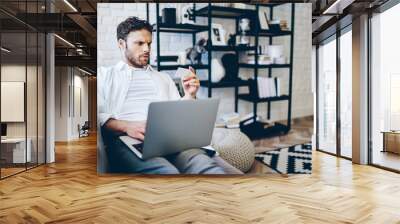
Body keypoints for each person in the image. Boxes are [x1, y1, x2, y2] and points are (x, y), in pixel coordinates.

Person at [98, 16, 225, 174]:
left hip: (170, 140)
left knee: (204, 165)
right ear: (121, 44)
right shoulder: (105, 75)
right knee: (166, 172)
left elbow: (178, 113)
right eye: (139, 43)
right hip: (128, 139)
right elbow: (99, 114)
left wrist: (189, 95)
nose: (146, 49)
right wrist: (127, 126)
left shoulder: (163, 78)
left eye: (149, 43)